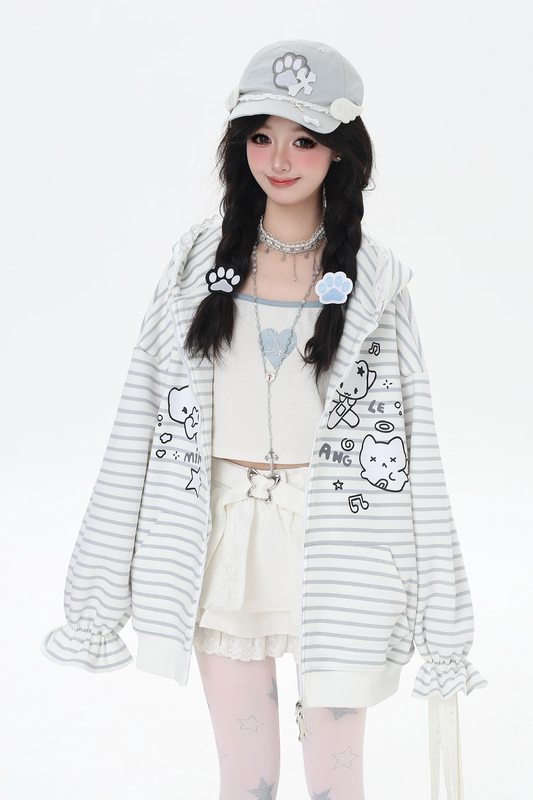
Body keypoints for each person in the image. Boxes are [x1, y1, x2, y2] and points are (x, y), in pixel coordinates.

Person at [41, 40, 486, 800]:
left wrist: (446, 620)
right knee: (245, 780)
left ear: (340, 152)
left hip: (342, 547)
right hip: (223, 545)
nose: (279, 159)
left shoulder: (376, 281)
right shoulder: (195, 265)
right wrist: (96, 590)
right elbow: (139, 418)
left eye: (303, 140)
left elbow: (417, 445)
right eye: (260, 136)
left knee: (337, 781)